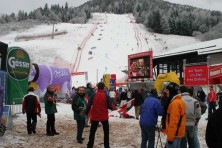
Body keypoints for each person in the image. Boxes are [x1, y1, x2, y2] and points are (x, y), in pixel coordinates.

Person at [85, 82, 117, 148]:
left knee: (92, 132)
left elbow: (88, 105)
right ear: (103, 87)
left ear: (97, 87)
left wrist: (86, 113)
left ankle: (89, 146)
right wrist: (113, 107)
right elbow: (110, 106)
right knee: (106, 132)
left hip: (95, 116)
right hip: (104, 116)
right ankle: (107, 146)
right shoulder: (106, 96)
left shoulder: (93, 95)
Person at [163, 82, 186, 148]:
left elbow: (173, 122)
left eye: (167, 90)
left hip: (174, 135)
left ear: (171, 91)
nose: (166, 92)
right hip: (178, 133)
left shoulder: (174, 104)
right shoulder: (180, 101)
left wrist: (170, 138)